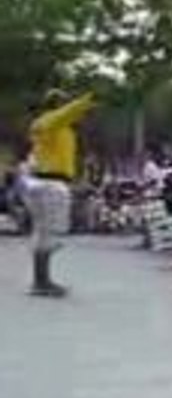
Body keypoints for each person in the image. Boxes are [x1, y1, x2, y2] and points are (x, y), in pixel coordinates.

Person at [23, 89, 97, 297]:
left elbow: (71, 115)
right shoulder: (49, 122)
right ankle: (41, 282)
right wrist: (89, 99)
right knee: (48, 233)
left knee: (44, 232)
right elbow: (69, 112)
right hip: (49, 183)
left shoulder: (58, 127)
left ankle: (41, 280)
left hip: (47, 182)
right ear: (56, 105)